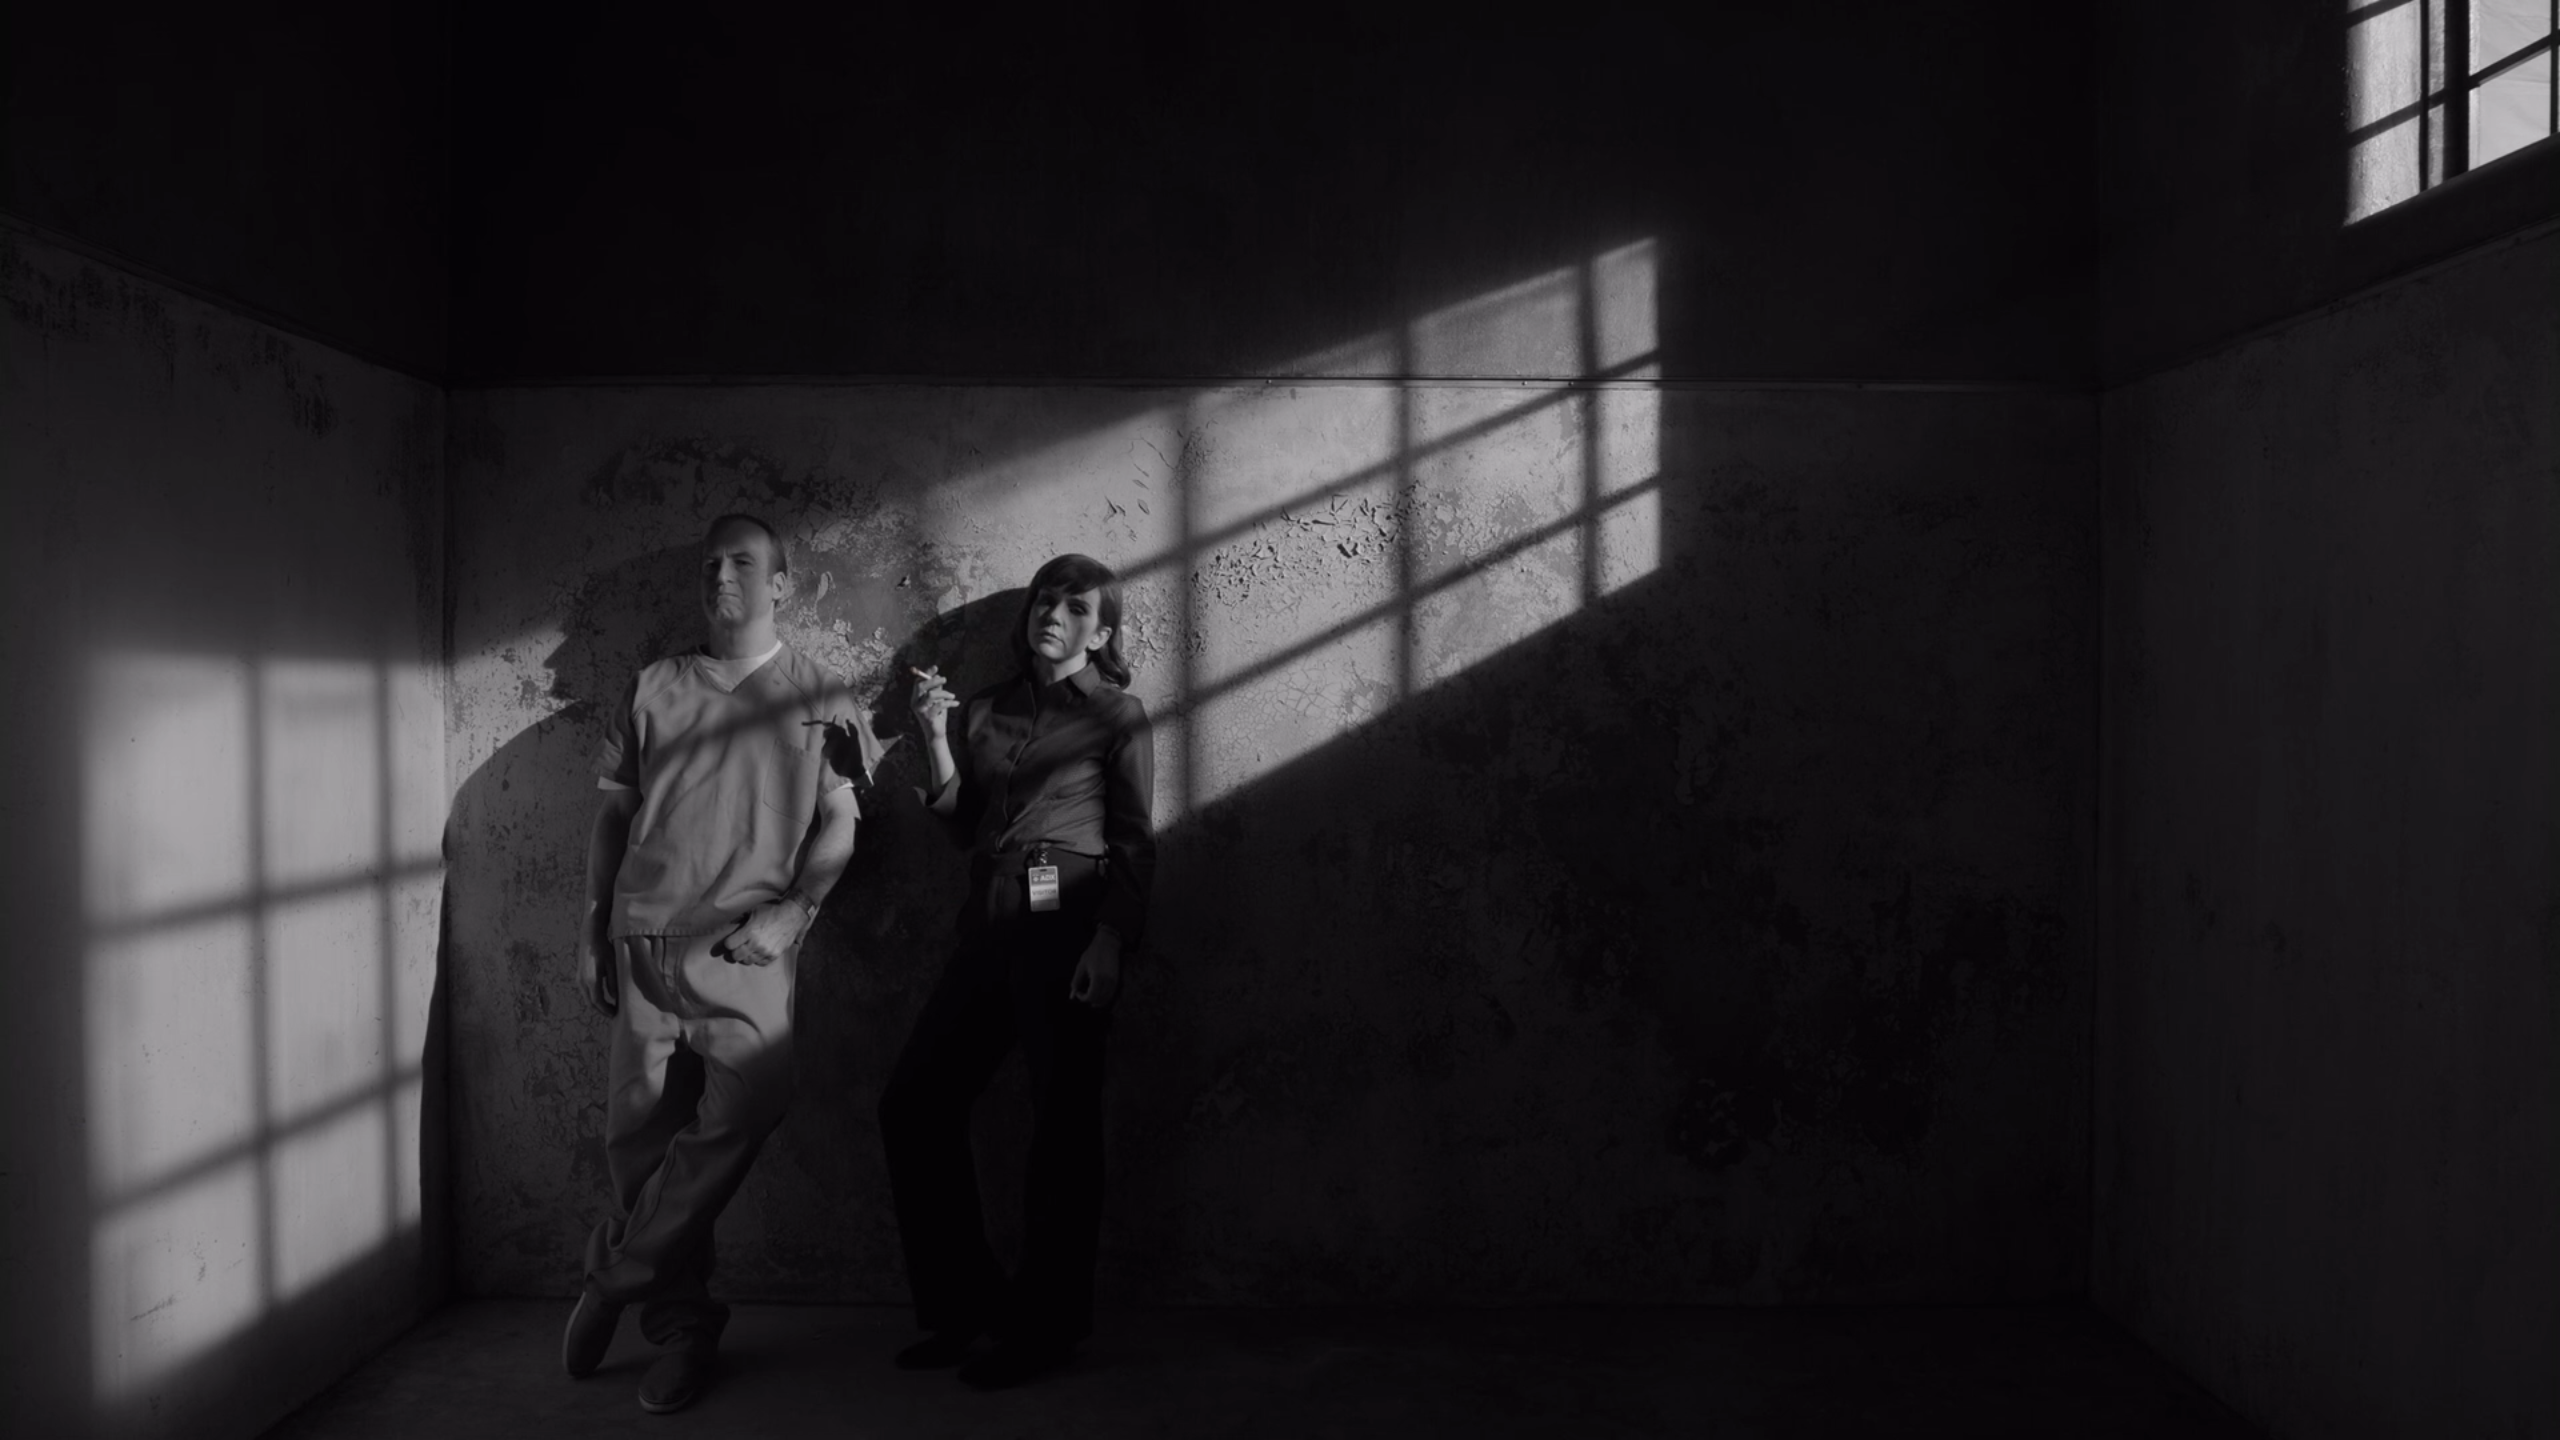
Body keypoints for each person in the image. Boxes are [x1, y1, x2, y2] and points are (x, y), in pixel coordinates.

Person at [561, 513, 876, 1414]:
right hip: (642, 940)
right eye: (709, 563)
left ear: (783, 584)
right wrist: (591, 926)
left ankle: (613, 1275)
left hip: (744, 948)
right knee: (638, 1146)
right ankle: (681, 1332)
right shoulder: (652, 686)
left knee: (755, 1100)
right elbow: (614, 818)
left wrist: (797, 909)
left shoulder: (823, 692)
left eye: (742, 561)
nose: (721, 575)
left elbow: (842, 823)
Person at [879, 552, 1156, 1389]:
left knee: (1062, 1128)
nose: (1053, 615)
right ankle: (966, 1308)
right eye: (1045, 600)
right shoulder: (987, 710)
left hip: (1068, 920)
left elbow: (1135, 839)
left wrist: (1110, 941)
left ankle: (1046, 1329)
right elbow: (966, 824)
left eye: (1076, 608)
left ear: (1100, 634)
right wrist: (935, 737)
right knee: (914, 1103)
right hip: (990, 919)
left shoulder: (1118, 715)